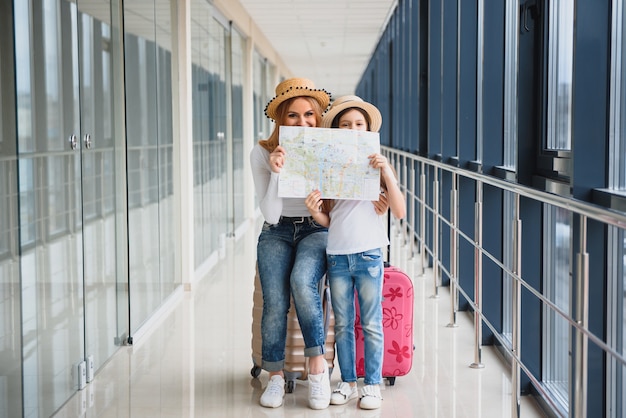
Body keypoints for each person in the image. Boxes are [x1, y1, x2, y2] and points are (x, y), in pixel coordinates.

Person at [304, 95, 406, 410]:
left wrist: (387, 173)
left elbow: (400, 211)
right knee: (343, 323)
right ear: (336, 130)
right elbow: (330, 217)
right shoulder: (330, 166)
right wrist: (314, 213)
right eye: (345, 125)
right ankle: (348, 382)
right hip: (337, 254)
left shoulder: (378, 165)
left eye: (357, 124)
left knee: (372, 323)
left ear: (366, 129)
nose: (351, 129)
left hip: (369, 255)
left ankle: (372, 385)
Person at [249, 77, 333, 410]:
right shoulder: (261, 152)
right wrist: (277, 173)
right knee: (274, 298)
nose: (303, 123)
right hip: (277, 229)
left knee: (302, 280)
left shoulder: (326, 149)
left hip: (316, 228)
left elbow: (333, 210)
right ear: (281, 118)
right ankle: (274, 375)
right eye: (294, 116)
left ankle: (317, 369)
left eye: (309, 115)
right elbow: (270, 214)